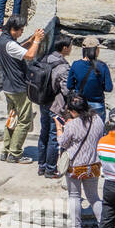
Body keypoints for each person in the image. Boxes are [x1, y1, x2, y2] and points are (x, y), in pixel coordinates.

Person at [0, 16, 44, 164]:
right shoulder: (9, 43)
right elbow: (30, 55)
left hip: (8, 87)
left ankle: (6, 151)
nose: (21, 32)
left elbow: (16, 49)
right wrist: (36, 41)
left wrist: (29, 41)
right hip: (18, 88)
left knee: (12, 119)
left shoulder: (2, 40)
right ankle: (15, 153)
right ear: (13, 29)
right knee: (24, 121)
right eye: (20, 30)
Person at [58, 96, 105, 228]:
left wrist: (60, 128)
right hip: (94, 164)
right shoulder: (98, 119)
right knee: (94, 197)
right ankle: (103, 227)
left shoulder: (72, 125)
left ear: (73, 111)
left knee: (74, 196)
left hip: (75, 166)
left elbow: (63, 143)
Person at [37, 35, 73, 178]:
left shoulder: (46, 58)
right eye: (70, 46)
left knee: (43, 133)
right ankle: (50, 169)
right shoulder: (63, 66)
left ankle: (41, 166)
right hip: (55, 105)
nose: (71, 48)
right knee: (53, 136)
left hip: (43, 102)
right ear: (64, 48)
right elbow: (66, 90)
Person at [67, 36, 114, 118]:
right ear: (95, 50)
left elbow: (69, 86)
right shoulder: (102, 66)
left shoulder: (76, 64)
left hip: (80, 104)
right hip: (98, 104)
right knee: (98, 130)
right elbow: (108, 88)